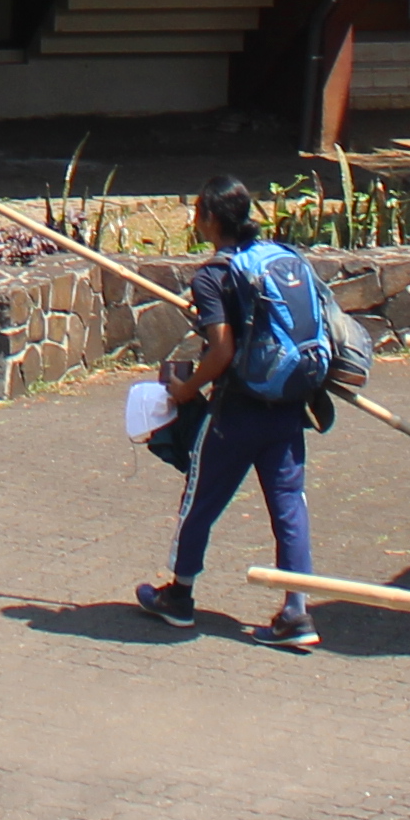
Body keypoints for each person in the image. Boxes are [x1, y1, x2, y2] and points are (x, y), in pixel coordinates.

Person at [136, 181, 324, 651]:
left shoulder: (211, 276)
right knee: (289, 506)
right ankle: (297, 613)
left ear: (211, 221)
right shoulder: (279, 258)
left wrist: (186, 389)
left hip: (235, 413)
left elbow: (222, 349)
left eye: (199, 212)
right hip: (286, 407)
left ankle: (178, 595)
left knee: (200, 499)